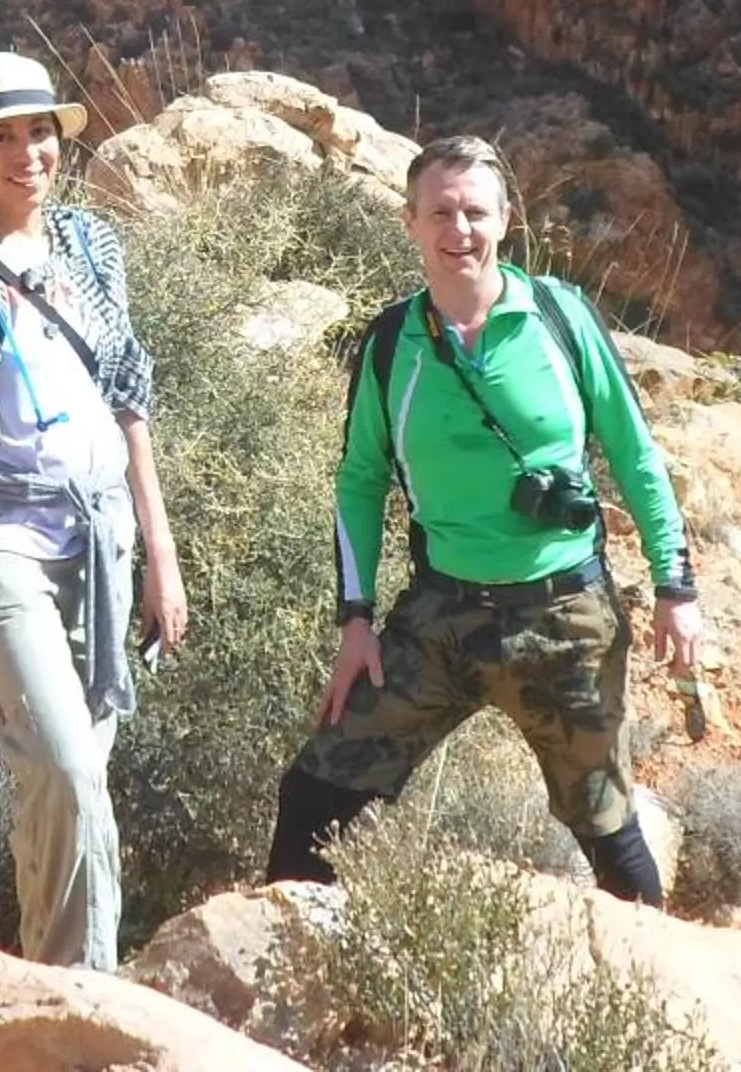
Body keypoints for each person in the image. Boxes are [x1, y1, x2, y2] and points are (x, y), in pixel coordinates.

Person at [261, 134, 702, 903]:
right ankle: (292, 986)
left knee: (606, 828)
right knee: (313, 798)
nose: (456, 231)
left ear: (505, 220)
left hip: (564, 613)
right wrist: (356, 619)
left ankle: (652, 996)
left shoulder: (560, 320)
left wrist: (676, 584)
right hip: (441, 616)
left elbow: (637, 457)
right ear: (410, 222)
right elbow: (360, 480)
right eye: (439, 213)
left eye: (474, 213)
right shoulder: (392, 342)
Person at [0, 49, 189, 971]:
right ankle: (77, 1002)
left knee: (75, 786)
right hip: (5, 540)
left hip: (105, 536)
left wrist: (162, 558)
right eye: (2, 138)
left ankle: (65, 990)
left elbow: (128, 401)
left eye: (40, 134)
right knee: (60, 765)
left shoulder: (95, 249)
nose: (28, 155)